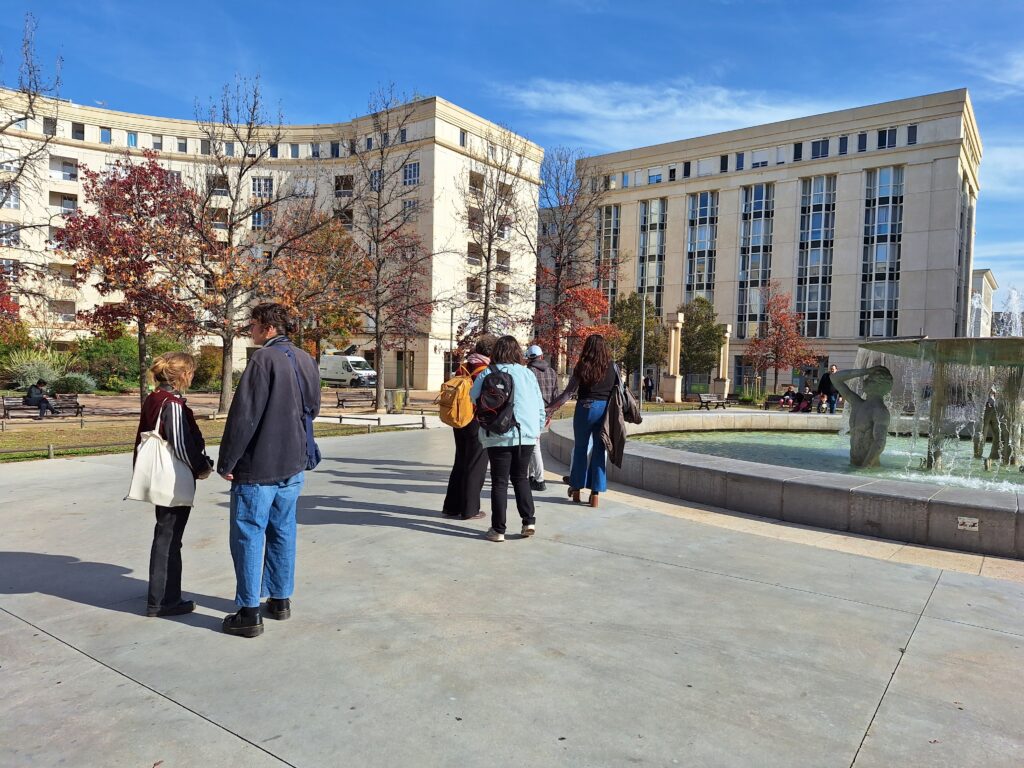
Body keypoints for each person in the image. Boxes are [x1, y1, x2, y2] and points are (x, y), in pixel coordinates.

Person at [217, 303, 320, 638]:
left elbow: (244, 415)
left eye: (253, 324)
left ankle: (249, 612)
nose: (250, 330)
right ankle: (280, 599)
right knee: (283, 530)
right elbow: (313, 408)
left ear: (268, 327)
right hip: (294, 461)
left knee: (248, 533)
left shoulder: (263, 359)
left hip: (260, 464)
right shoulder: (306, 359)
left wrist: (227, 460)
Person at [135, 353, 213, 618]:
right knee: (169, 537)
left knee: (164, 533)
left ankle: (160, 595)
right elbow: (181, 444)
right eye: (191, 371)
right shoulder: (172, 403)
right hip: (173, 477)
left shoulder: (155, 397)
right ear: (183, 375)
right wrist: (201, 467)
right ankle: (164, 600)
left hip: (160, 474)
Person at [470, 335, 545, 542]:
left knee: (499, 482)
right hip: (525, 435)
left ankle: (498, 529)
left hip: (498, 434)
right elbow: (540, 406)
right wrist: (536, 429)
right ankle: (528, 521)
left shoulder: (488, 372)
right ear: (517, 352)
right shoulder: (527, 373)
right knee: (521, 478)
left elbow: (473, 396)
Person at [547, 334, 617, 508]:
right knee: (599, 449)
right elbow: (617, 392)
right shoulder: (613, 367)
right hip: (604, 410)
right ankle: (595, 492)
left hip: (585, 408)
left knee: (580, 448)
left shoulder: (582, 366)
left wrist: (550, 408)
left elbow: (568, 392)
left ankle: (576, 488)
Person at [442, 334, 496, 520]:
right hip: (476, 420)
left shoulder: (463, 366)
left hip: (459, 419)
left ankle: (451, 506)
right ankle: (470, 509)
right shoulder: (486, 370)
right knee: (476, 465)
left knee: (460, 461)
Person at [832, 365, 893, 468]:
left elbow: (879, 442)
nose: (865, 381)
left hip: (869, 469)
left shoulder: (880, 411)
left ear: (880, 386)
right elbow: (835, 378)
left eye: (870, 380)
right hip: (854, 465)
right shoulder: (857, 403)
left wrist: (864, 468)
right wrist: (866, 371)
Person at [525, 344, 558, 492]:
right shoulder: (552, 372)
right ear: (542, 356)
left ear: (529, 358)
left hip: (532, 413)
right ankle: (532, 476)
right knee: (533, 444)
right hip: (546, 412)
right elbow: (556, 396)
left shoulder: (528, 372)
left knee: (534, 446)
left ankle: (539, 479)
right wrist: (550, 413)